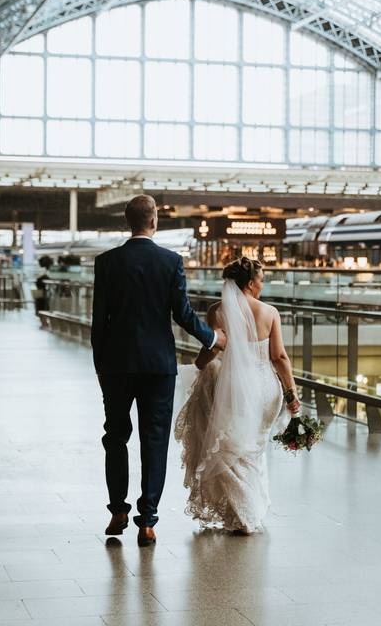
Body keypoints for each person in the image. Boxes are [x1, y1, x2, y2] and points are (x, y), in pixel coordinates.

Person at [92, 195, 227, 547]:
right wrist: (212, 337)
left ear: (128, 221)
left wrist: (100, 368)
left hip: (116, 366)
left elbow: (98, 323)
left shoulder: (106, 262)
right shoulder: (170, 261)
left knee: (115, 436)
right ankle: (147, 520)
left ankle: (118, 510)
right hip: (157, 367)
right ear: (154, 222)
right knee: (154, 441)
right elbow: (182, 314)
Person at [174, 257, 300, 535]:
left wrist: (196, 367)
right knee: (253, 448)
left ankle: (243, 511)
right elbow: (279, 357)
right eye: (262, 280)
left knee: (232, 449)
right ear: (251, 283)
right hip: (265, 390)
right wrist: (291, 394)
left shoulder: (217, 312)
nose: (262, 284)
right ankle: (250, 508)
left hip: (231, 389)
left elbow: (213, 349)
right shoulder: (269, 312)